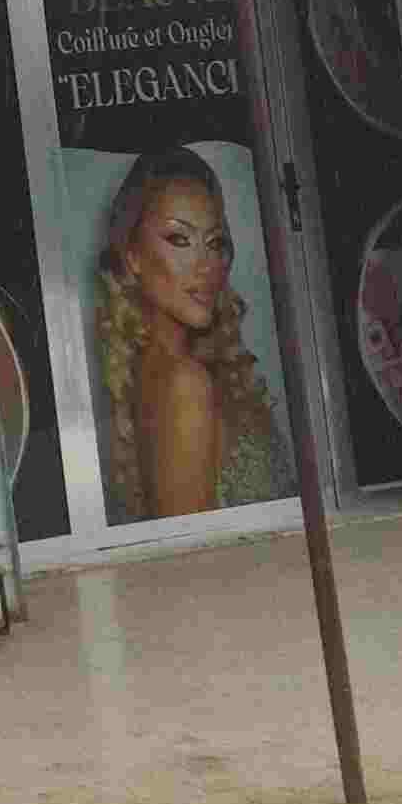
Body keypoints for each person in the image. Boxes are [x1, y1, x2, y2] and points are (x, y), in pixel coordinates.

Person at [91, 146, 274, 522]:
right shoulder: (183, 384)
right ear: (132, 255)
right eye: (179, 239)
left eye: (214, 242)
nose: (207, 266)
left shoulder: (158, 373)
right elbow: (200, 556)